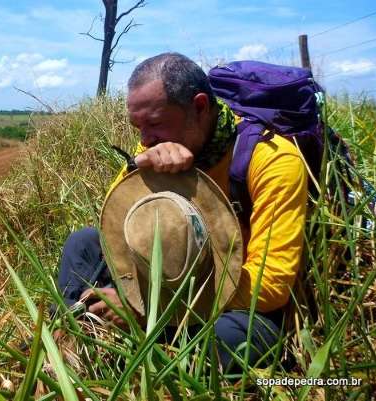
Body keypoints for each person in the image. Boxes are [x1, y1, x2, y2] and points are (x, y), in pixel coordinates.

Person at [57, 52, 308, 372]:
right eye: (138, 127)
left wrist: (147, 307)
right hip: (159, 277)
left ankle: (154, 359)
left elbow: (269, 285)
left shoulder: (272, 161)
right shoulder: (153, 146)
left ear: (200, 107)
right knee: (84, 244)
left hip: (233, 301)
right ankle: (68, 339)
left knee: (226, 341)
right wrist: (140, 167)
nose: (145, 139)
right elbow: (116, 224)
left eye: (155, 124)